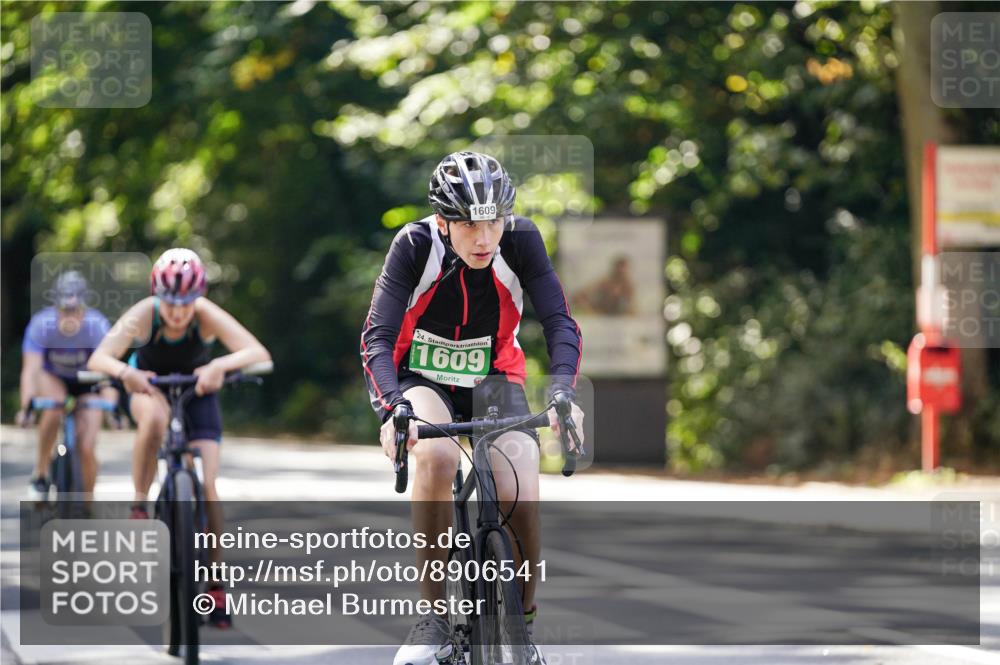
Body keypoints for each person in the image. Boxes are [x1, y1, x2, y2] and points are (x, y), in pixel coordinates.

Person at [361, 151, 585, 665]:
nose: (484, 238)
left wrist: (563, 395)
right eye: (467, 224)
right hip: (419, 377)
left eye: (493, 221)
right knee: (436, 457)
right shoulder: (414, 246)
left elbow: (560, 322)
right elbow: (377, 335)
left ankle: (521, 625)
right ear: (443, 221)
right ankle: (433, 617)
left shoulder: (522, 239)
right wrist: (393, 408)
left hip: (493, 376)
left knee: (521, 485)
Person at [87, 248, 271, 629]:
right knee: (154, 418)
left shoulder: (204, 314)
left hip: (196, 394)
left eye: (186, 303)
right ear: (159, 295)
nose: (178, 311)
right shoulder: (144, 313)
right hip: (148, 390)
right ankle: (140, 504)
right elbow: (99, 358)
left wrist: (219, 364)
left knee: (208, 486)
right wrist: (125, 373)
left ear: (197, 297)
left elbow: (257, 352)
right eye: (171, 302)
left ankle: (216, 584)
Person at [18, 270, 117, 501]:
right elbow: (31, 371)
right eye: (64, 310)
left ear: (84, 307)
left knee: (87, 447)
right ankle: (41, 472)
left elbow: (107, 373)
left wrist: (112, 409)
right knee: (54, 406)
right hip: (54, 378)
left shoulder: (97, 325)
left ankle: (87, 505)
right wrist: (27, 408)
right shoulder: (41, 325)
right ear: (56, 307)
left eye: (75, 310)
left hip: (87, 381)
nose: (69, 317)